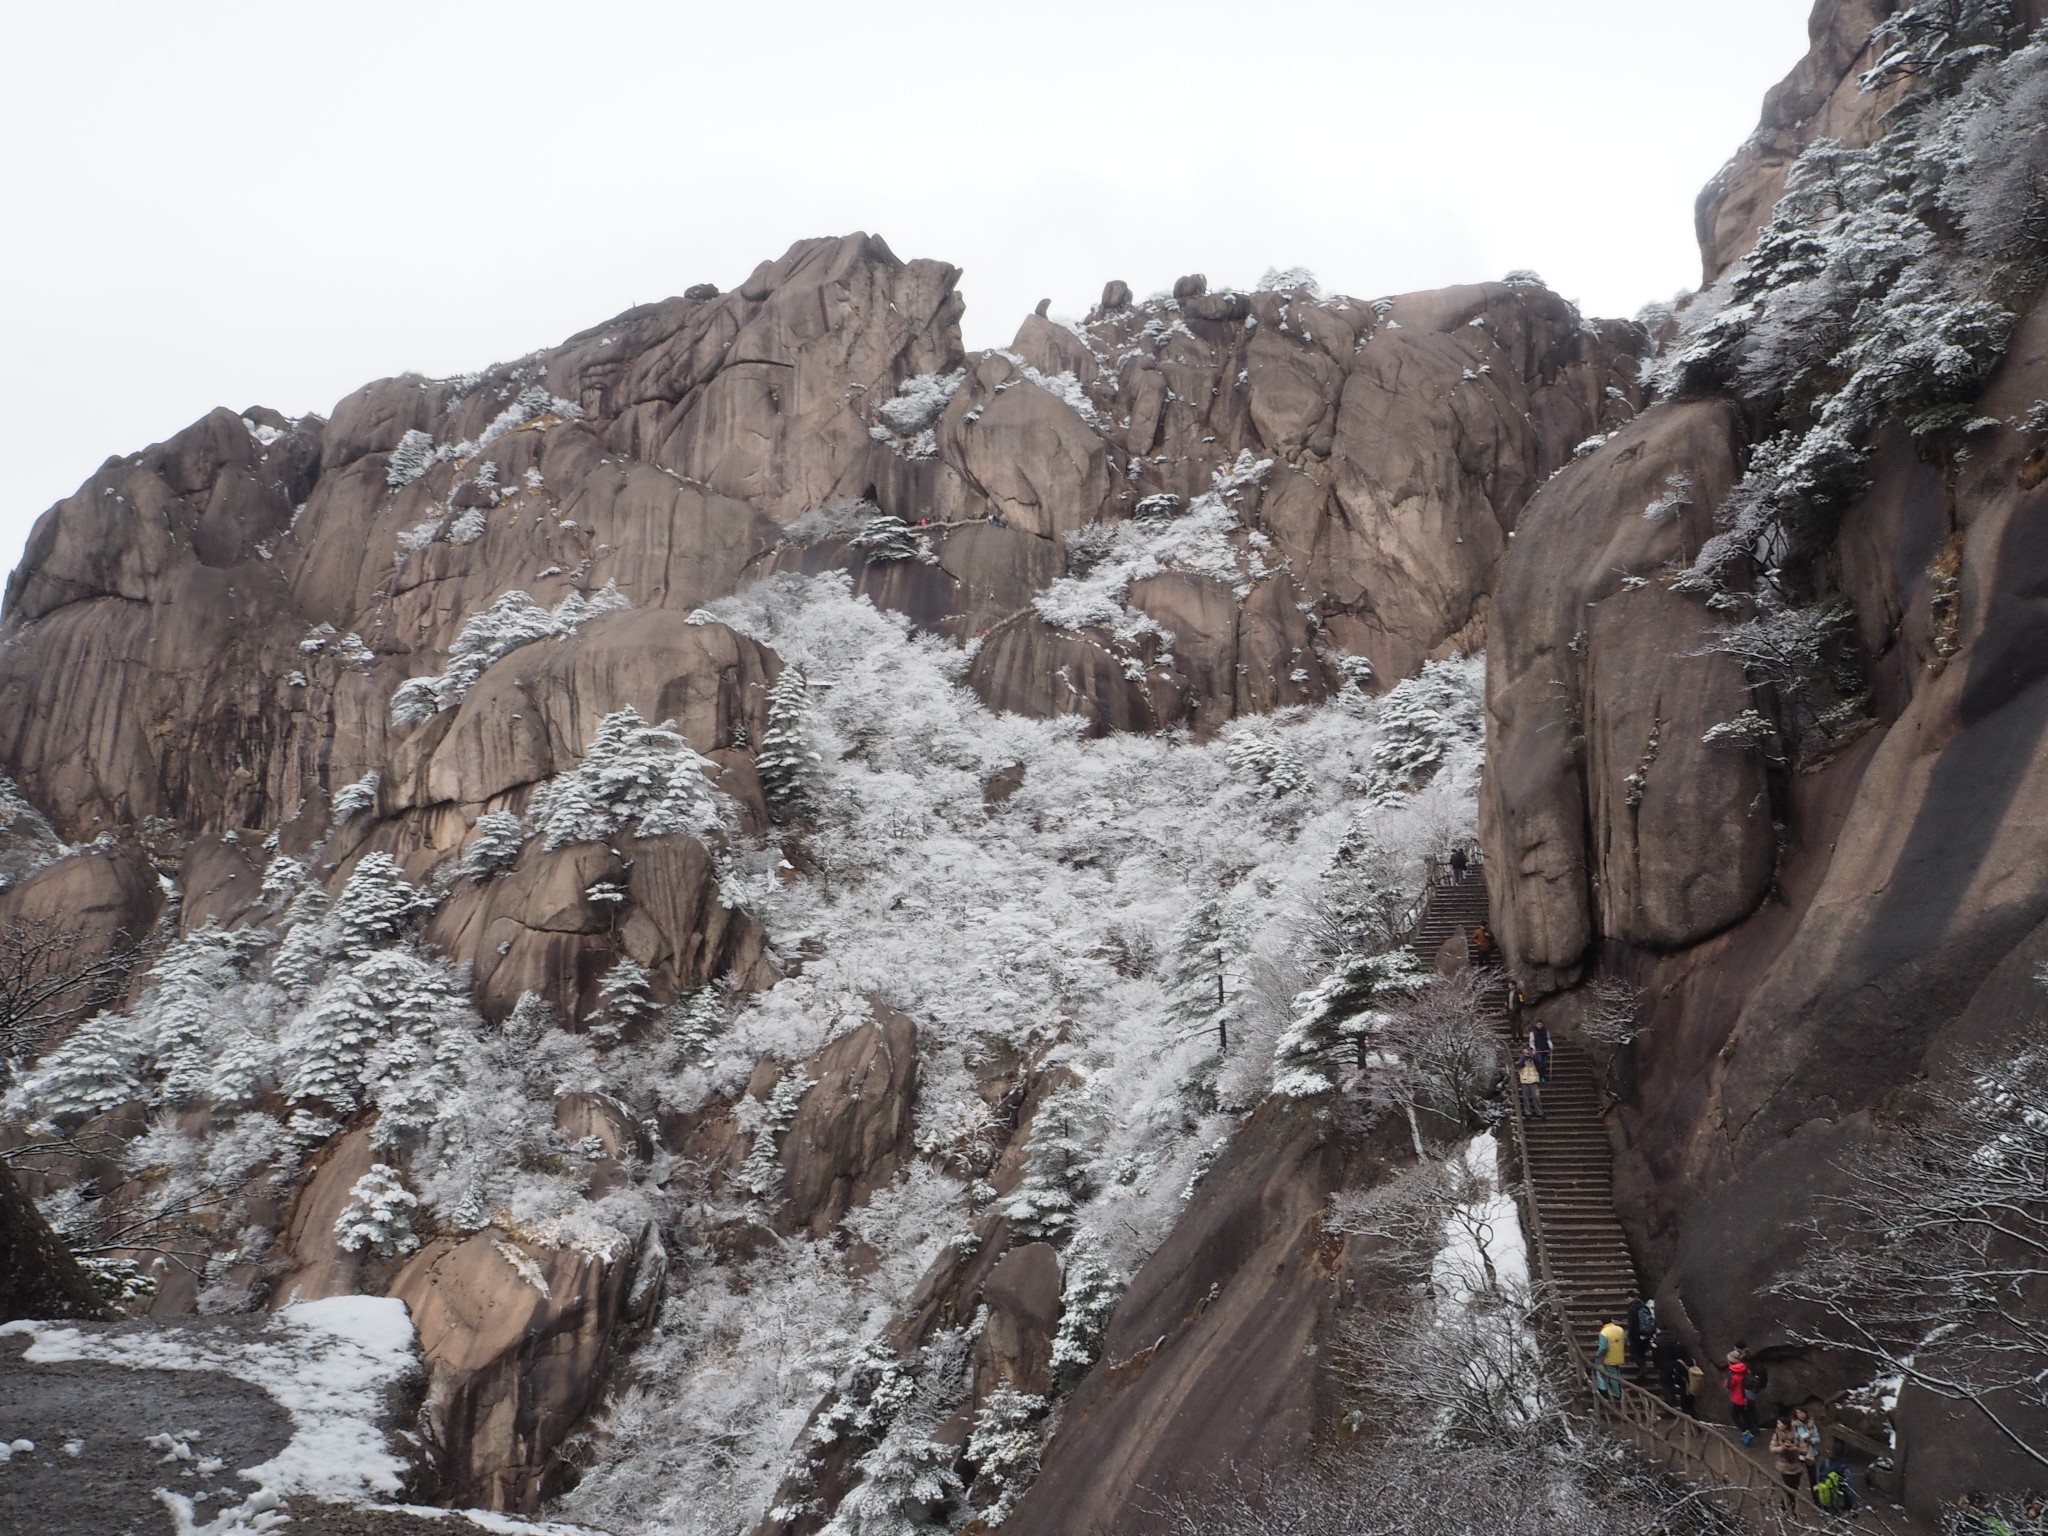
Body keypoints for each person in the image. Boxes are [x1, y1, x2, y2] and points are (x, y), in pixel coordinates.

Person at [1725, 1348, 1759, 1442]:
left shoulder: (1732, 1374)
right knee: (1745, 1415)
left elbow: (1729, 1386)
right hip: (1747, 1397)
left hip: (1738, 1399)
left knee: (1735, 1416)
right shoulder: (1745, 1369)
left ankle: (1747, 1433)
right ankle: (1749, 1432)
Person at [1770, 1417, 1805, 1501]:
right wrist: (1782, 1448)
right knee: (1788, 1487)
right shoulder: (1777, 1434)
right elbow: (1772, 1448)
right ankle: (1788, 1507)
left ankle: (1787, 1505)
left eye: (1779, 1423)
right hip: (1784, 1465)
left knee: (1795, 1487)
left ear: (1785, 1425)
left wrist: (1795, 1448)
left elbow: (1804, 1450)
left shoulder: (1796, 1434)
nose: (1778, 1425)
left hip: (1796, 1465)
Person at [1594, 1318, 1627, 1401]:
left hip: (1609, 1357)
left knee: (1612, 1376)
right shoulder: (1620, 1329)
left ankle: (1617, 1394)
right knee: (1617, 1372)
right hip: (1619, 1355)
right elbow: (1625, 1340)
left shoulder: (1604, 1333)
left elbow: (1603, 1347)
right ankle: (1621, 1389)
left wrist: (1598, 1354)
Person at [1792, 1407, 1821, 1487]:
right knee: (1796, 1475)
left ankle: (1815, 1496)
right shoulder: (1794, 1426)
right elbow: (1796, 1438)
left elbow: (1818, 1438)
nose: (1800, 1415)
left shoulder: (1811, 1425)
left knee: (1813, 1477)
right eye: (1798, 1413)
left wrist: (1812, 1440)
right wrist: (1807, 1434)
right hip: (1799, 1452)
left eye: (1801, 1412)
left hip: (1811, 1452)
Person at [1516, 1051, 1545, 1119]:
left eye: (1528, 1053)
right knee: (1526, 1098)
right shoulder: (1521, 1060)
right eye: (1525, 1053)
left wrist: (1534, 1057)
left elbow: (1540, 1065)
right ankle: (1528, 1113)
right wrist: (1524, 1058)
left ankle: (1539, 1112)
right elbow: (1519, 1065)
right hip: (1524, 1081)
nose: (1527, 1054)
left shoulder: (1534, 1060)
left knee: (1536, 1097)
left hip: (1534, 1081)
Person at [1529, 1020, 1552, 1084]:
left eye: (1541, 1024)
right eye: (1538, 1024)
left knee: (1544, 1064)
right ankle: (1539, 1076)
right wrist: (1533, 1049)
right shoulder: (1533, 1033)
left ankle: (1543, 1077)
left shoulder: (1546, 1032)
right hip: (1537, 1050)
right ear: (1536, 1025)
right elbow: (1531, 1042)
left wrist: (1550, 1047)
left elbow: (1548, 1040)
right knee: (1540, 1063)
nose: (1540, 1026)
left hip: (1545, 1049)